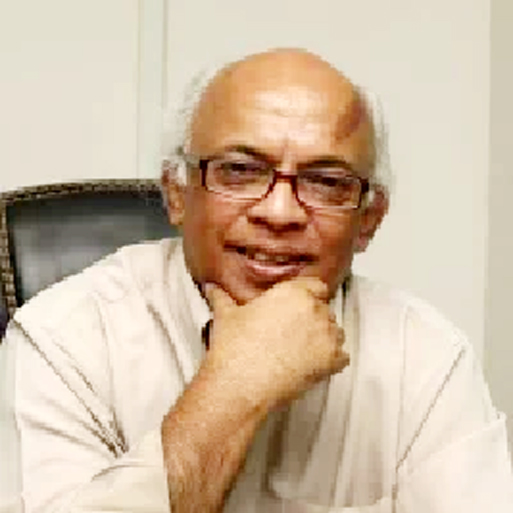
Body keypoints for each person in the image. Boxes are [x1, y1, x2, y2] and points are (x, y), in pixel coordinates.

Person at [0, 48, 512, 513]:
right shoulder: (64, 338)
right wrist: (236, 386)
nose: (280, 212)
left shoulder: (426, 358)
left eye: (326, 181)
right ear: (176, 194)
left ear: (369, 220)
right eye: (240, 170)